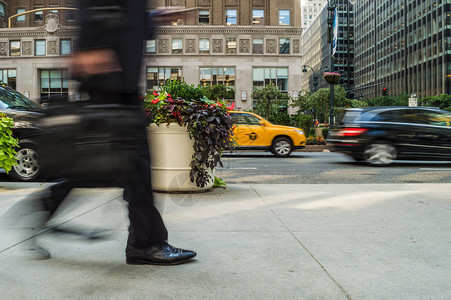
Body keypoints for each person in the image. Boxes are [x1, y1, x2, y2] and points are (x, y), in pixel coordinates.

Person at [36, 1, 196, 265]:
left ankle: (49, 202)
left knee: (114, 165)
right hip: (108, 74)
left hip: (119, 75)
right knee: (134, 165)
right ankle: (145, 243)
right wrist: (89, 45)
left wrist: (153, 18)